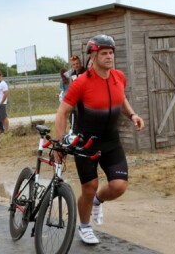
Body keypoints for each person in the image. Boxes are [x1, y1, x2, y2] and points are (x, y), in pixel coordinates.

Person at [54, 34, 145, 245]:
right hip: (86, 143)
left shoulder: (119, 77)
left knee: (119, 186)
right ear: (93, 57)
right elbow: (62, 113)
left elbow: (120, 98)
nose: (109, 57)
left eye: (111, 53)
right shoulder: (81, 83)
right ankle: (84, 226)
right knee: (90, 186)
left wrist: (133, 115)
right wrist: (60, 144)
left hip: (111, 140)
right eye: (104, 53)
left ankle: (97, 202)